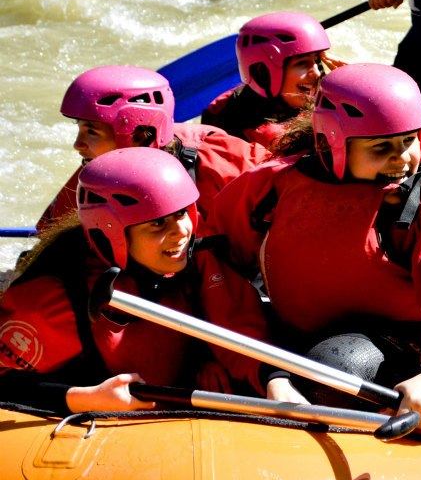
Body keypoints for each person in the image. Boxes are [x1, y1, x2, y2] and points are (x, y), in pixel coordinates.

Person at [209, 63, 421, 431]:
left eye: (409, 141)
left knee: (337, 369)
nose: (403, 158)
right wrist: (264, 369)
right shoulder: (271, 187)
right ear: (329, 144)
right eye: (381, 147)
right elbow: (217, 269)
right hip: (315, 333)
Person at [0, 148, 298, 414]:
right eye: (158, 223)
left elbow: (238, 329)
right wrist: (84, 398)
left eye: (181, 213)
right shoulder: (52, 302)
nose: (182, 231)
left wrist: (273, 378)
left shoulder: (198, 262)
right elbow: (6, 384)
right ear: (111, 232)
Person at [36, 65, 270, 235]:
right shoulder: (95, 175)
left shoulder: (221, 159)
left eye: (92, 132)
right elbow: (48, 234)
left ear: (139, 134)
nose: (77, 145)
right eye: (80, 130)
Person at [202, 12, 346, 149]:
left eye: (317, 60)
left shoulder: (227, 103)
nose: (316, 74)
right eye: (302, 63)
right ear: (262, 71)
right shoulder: (274, 139)